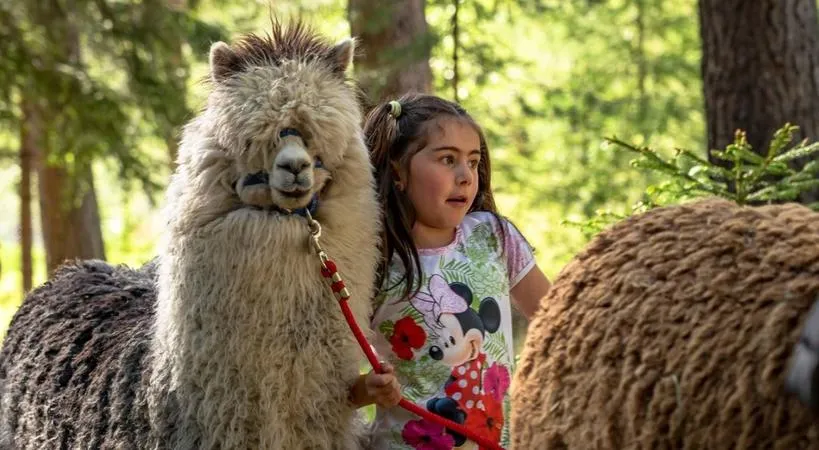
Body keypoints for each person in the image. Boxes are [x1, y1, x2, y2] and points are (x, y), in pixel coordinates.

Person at [349, 93, 551, 449]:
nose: (465, 176)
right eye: (447, 159)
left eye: (473, 162)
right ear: (398, 170)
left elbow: (558, 321)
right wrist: (368, 388)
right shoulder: (371, 261)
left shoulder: (494, 236)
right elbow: (331, 388)